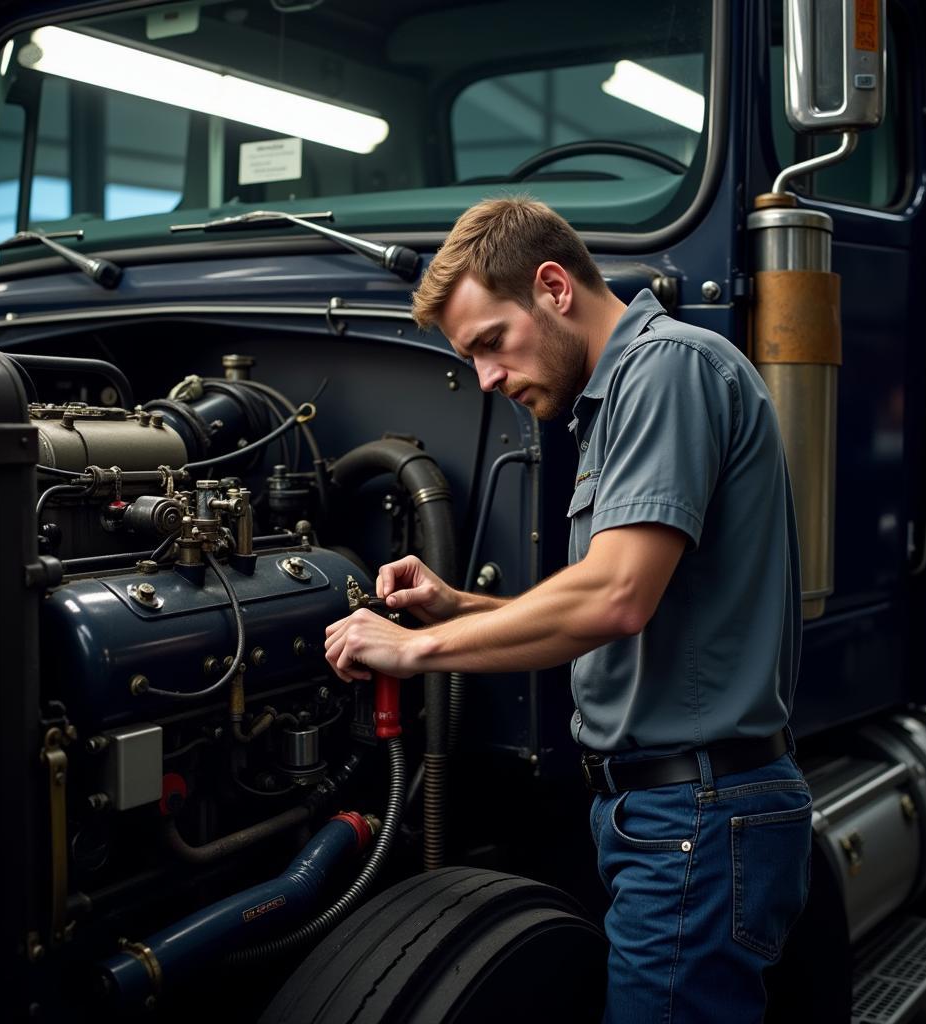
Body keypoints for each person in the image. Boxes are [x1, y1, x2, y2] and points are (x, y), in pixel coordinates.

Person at [324, 197, 811, 1023]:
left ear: (553, 287)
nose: (486, 378)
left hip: (694, 808)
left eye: (490, 343)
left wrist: (412, 654)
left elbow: (615, 598)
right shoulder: (619, 394)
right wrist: (456, 607)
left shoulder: (667, 370)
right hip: (663, 810)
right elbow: (624, 602)